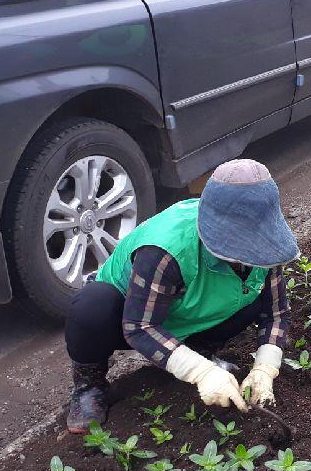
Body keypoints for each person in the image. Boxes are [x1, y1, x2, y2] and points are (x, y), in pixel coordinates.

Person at [63, 160, 298, 433]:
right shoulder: (165, 249)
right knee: (92, 306)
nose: (250, 257)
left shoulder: (267, 250)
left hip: (189, 310)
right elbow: (140, 327)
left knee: (253, 300)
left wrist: (265, 368)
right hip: (133, 317)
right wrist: (201, 373)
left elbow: (276, 313)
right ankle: (89, 386)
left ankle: (197, 351)